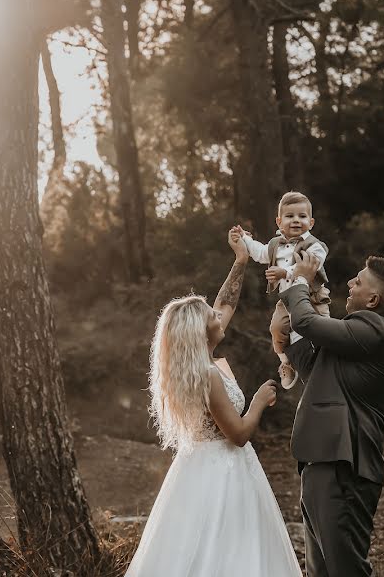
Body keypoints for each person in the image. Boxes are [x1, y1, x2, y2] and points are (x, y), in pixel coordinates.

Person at [125, 228, 301, 577]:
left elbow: (225, 302)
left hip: (198, 466)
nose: (218, 318)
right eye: (211, 318)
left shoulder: (195, 365)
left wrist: (240, 261)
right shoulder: (206, 374)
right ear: (200, 332)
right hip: (224, 470)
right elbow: (237, 434)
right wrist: (258, 402)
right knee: (226, 548)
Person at [283, 252, 384, 577]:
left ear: (373, 298)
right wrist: (282, 335)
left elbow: (307, 322)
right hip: (324, 465)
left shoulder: (377, 330)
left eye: (358, 281)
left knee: (346, 572)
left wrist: (298, 280)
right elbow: (313, 367)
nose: (350, 284)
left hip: (345, 470)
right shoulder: (359, 336)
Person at [235, 191, 331, 389]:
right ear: (279, 222)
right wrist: (244, 238)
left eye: (302, 216)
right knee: (276, 329)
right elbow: (260, 252)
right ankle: (285, 361)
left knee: (322, 331)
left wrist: (284, 273)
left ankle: (328, 362)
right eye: (289, 216)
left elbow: (308, 265)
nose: (296, 220)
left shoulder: (315, 246)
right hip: (287, 301)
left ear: (311, 222)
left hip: (313, 299)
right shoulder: (275, 245)